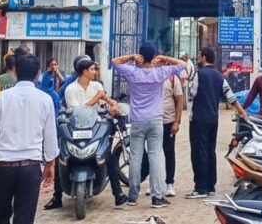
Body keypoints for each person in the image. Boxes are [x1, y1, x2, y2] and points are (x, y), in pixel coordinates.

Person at [0, 54, 58, 224]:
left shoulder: (2, 98)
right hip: (30, 167)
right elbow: (50, 136)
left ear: (15, 71)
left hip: (4, 166)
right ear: (37, 74)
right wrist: (50, 164)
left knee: (0, 216)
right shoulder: (45, 99)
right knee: (25, 217)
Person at [111, 43, 185, 208]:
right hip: (155, 120)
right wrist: (164, 58)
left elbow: (114, 61)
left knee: (135, 158)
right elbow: (183, 64)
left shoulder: (133, 72)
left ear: (140, 56)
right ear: (154, 56)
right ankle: (157, 196)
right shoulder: (160, 72)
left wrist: (131, 57)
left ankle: (132, 196)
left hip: (137, 120)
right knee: (155, 157)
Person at [56, 59, 125, 207]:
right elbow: (77, 111)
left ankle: (118, 195)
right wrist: (97, 97)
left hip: (95, 129)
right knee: (61, 157)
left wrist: (113, 108)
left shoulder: (97, 86)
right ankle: (56, 197)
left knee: (109, 158)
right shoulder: (71, 89)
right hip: (75, 130)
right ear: (84, 72)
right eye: (92, 69)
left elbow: (106, 104)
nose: (95, 72)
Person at [186, 47, 248, 200]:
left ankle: (200, 188)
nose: (198, 58)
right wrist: (243, 113)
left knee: (198, 152)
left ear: (204, 57)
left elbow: (192, 93)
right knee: (210, 151)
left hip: (198, 119)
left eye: (199, 56)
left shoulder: (198, 74)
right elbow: (231, 97)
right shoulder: (220, 77)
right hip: (213, 119)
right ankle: (210, 186)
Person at [160, 66, 183, 198]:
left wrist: (176, 121)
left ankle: (169, 184)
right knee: (152, 155)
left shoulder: (173, 79)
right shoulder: (152, 76)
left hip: (168, 121)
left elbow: (180, 100)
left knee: (169, 153)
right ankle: (154, 183)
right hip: (154, 121)